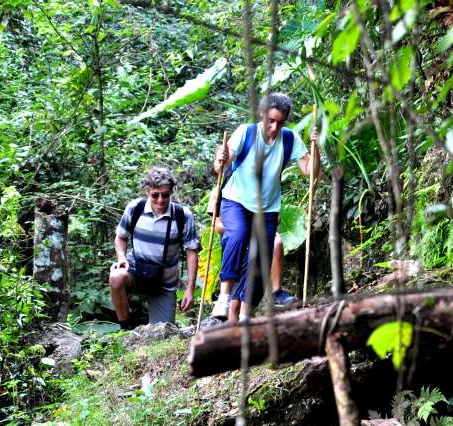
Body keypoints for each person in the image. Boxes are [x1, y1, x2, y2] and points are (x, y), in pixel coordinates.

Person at [212, 92, 320, 322]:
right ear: (261, 115)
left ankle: (246, 315)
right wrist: (220, 158)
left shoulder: (290, 138)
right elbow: (223, 161)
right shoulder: (246, 132)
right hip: (236, 200)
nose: (274, 127)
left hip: (268, 207)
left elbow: (311, 172)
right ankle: (224, 296)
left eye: (280, 123)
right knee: (238, 235)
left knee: (262, 257)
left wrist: (316, 148)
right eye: (270, 121)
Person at [109, 167, 201, 329]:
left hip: (164, 283)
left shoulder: (182, 216)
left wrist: (190, 289)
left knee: (162, 334)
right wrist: (121, 258)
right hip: (136, 271)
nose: (160, 200)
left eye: (165, 195)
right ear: (147, 192)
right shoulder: (135, 208)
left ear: (171, 193)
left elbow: (191, 252)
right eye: (155, 195)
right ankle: (125, 327)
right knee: (116, 277)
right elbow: (121, 237)